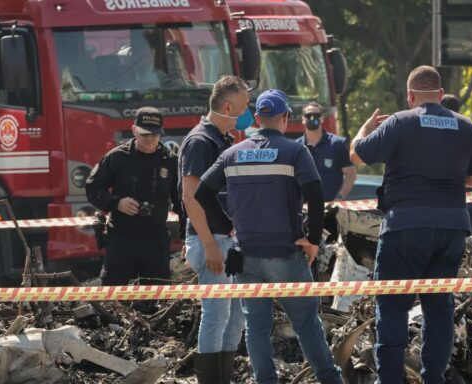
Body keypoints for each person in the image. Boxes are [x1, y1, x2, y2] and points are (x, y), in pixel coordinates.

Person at [350, 66, 472, 383]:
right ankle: (433, 379)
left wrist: (364, 128)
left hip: (405, 228)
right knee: (439, 309)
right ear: (440, 95)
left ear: (410, 96)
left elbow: (356, 154)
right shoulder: (466, 126)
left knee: (393, 308)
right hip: (452, 228)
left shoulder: (400, 121)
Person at [196, 89, 344, 384]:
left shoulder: (233, 153)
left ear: (258, 118)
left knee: (256, 328)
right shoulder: (295, 151)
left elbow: (201, 192)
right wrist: (313, 240)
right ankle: (330, 380)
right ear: (286, 117)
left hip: (246, 256)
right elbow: (316, 195)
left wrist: (226, 226)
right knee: (306, 325)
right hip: (285, 255)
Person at [178, 75, 252, 384]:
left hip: (225, 240)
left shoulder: (222, 140)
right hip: (213, 241)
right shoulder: (200, 142)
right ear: (227, 106)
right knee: (217, 315)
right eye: (244, 107)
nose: (247, 113)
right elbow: (190, 195)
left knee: (234, 318)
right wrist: (207, 243)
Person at [85, 107, 182, 297]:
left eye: (155, 135)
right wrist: (116, 203)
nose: (150, 139)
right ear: (134, 130)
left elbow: (182, 201)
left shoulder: (169, 161)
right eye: (145, 134)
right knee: (112, 298)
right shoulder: (117, 157)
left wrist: (188, 235)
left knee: (157, 300)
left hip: (155, 239)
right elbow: (93, 189)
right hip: (121, 237)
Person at [296, 102, 356, 201]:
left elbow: (351, 174)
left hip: (331, 210)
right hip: (303, 211)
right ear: (303, 119)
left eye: (316, 115)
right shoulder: (296, 147)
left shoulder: (337, 144)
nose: (312, 118)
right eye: (308, 115)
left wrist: (339, 198)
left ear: (322, 118)